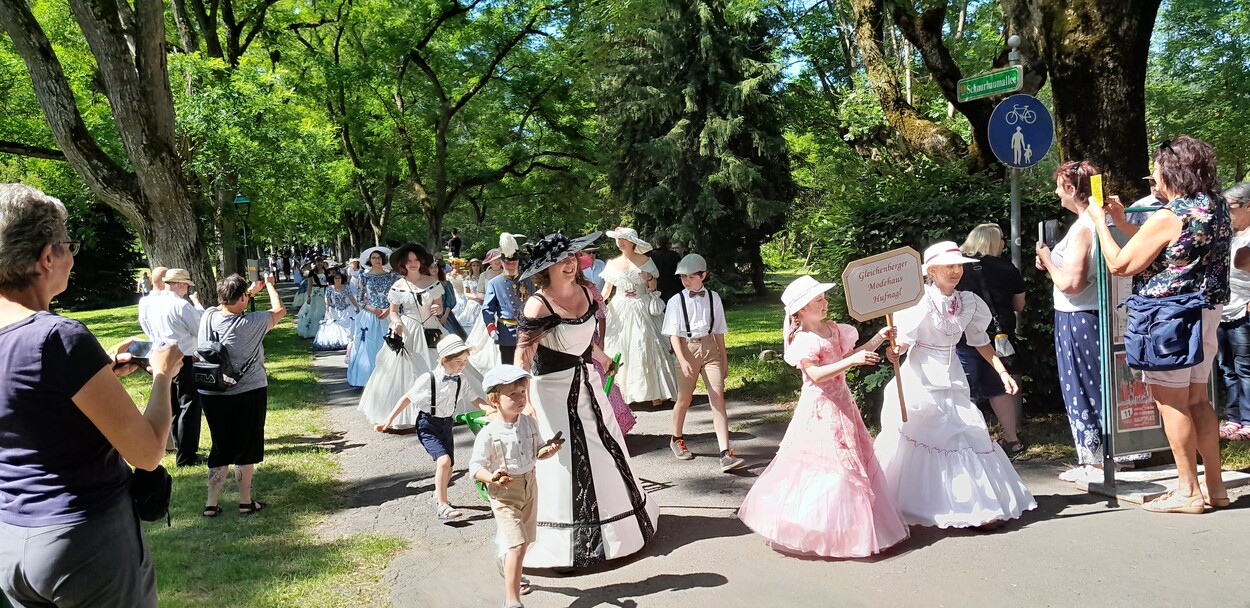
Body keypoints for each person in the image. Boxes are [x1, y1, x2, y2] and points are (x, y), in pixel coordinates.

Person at [0, 183, 183, 608]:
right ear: (46, 257)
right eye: (68, 246)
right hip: (84, 541)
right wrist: (162, 376)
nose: (72, 256)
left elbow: (24, 400)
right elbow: (146, 453)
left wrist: (96, 371)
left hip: (10, 541)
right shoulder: (58, 337)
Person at [1088, 135, 1233, 513]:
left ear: (1172, 173)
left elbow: (1120, 264)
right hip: (1206, 311)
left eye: (1155, 174)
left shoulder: (1171, 214)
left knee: (1172, 404)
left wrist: (1100, 223)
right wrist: (1124, 222)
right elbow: (1172, 250)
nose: (1154, 180)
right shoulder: (1216, 206)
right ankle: (1215, 487)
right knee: (1198, 399)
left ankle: (1188, 491)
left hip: (1168, 318)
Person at [514, 231, 659, 568]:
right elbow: (522, 358)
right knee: (566, 462)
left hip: (587, 383)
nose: (569, 264)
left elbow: (582, 337)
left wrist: (601, 357)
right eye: (560, 260)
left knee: (606, 450)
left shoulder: (586, 291)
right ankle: (562, 541)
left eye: (571, 258)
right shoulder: (538, 304)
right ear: (545, 269)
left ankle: (617, 529)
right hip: (551, 392)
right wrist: (525, 400)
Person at [738, 276, 909, 557]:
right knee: (828, 464)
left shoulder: (834, 329)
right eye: (818, 300)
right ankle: (816, 528)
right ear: (801, 310)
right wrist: (851, 361)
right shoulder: (803, 340)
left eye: (823, 298)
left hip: (844, 405)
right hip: (820, 409)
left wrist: (879, 337)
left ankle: (850, 530)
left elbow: (851, 354)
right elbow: (816, 374)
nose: (825, 303)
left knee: (851, 462)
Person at [874, 242, 1036, 528]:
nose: (956, 271)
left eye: (959, 265)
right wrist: (895, 351)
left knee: (966, 432)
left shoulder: (969, 301)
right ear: (932, 271)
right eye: (949, 266)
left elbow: (980, 342)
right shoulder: (919, 302)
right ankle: (930, 503)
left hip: (953, 375)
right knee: (930, 436)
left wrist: (1002, 372)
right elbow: (906, 342)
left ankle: (977, 506)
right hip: (922, 378)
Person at [1037, 160, 1145, 481]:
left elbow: (1071, 283)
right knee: (1108, 384)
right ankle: (1123, 455)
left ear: (1071, 189)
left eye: (1059, 187)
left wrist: (1047, 259)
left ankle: (1097, 461)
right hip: (1108, 313)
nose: (1057, 193)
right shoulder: (1107, 222)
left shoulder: (1082, 228)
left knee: (1084, 386)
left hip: (1078, 318)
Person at [469, 365, 563, 608]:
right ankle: (511, 600)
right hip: (504, 493)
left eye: (523, 392)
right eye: (513, 394)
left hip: (530, 486)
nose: (521, 398)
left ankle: (506, 560)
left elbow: (537, 450)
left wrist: (548, 450)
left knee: (528, 540)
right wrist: (492, 477)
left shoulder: (529, 423)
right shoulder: (489, 433)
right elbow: (475, 467)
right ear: (494, 400)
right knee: (518, 544)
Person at [198, 273, 286, 517]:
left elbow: (228, 304)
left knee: (220, 444)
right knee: (246, 445)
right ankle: (245, 502)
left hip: (211, 391)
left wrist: (249, 291)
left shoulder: (209, 315)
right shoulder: (252, 323)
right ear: (243, 299)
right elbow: (279, 311)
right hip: (248, 390)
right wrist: (269, 286)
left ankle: (211, 504)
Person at [376, 336, 489, 521]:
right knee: (443, 461)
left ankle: (438, 494)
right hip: (427, 425)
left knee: (449, 467)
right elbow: (407, 398)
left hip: (447, 425)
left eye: (465, 361)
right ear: (444, 360)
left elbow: (475, 399)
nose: (462, 365)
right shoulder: (428, 379)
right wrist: (388, 420)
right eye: (458, 361)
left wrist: (491, 409)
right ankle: (443, 506)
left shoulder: (461, 380)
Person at [661, 253, 743, 471]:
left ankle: (725, 452)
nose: (686, 281)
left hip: (710, 349)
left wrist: (724, 358)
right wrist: (682, 359)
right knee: (684, 398)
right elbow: (673, 335)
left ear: (703, 275)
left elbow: (719, 331)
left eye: (691, 277)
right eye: (683, 277)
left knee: (717, 398)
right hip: (686, 349)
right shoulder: (676, 301)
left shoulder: (714, 298)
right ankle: (676, 437)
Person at [955, 223, 1027, 457]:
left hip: (966, 336)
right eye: (1003, 239)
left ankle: (971, 442)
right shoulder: (1008, 269)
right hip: (998, 337)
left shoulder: (959, 268)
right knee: (999, 388)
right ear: (995, 242)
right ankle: (1012, 440)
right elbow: (1019, 305)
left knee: (966, 390)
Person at [357, 244, 446, 428]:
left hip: (431, 329)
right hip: (408, 329)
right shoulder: (398, 286)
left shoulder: (432, 282)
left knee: (441, 366)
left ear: (421, 262)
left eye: (416, 260)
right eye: (409, 261)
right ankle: (406, 414)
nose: (413, 263)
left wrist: (437, 309)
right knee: (408, 371)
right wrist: (397, 323)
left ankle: (441, 409)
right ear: (403, 264)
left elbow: (439, 306)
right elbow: (393, 312)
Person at [601, 227, 678, 405]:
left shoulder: (646, 260)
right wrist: (595, 303)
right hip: (619, 307)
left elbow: (653, 288)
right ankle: (621, 395)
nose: (620, 242)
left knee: (645, 344)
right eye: (618, 239)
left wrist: (649, 278)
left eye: (623, 239)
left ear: (632, 242)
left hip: (641, 305)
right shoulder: (612, 263)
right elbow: (607, 290)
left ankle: (655, 394)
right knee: (619, 346)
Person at [137, 267, 206, 467]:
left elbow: (147, 328)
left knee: (173, 405)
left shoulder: (151, 304)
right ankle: (187, 455)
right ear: (179, 285)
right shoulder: (180, 305)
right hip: (184, 357)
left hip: (162, 356)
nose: (186, 289)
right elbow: (199, 329)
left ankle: (179, 447)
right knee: (189, 405)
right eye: (185, 285)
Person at [578, 249, 635, 434]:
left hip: (591, 340)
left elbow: (601, 315)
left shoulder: (589, 287)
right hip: (573, 348)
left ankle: (611, 427)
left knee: (601, 380)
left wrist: (602, 338)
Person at [1219, 183, 1250, 440]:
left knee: (1245, 368)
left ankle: (1249, 420)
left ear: (1248, 206)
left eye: (1229, 207)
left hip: (1244, 309)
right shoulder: (1227, 235)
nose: (1226, 212)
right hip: (1222, 310)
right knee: (1226, 367)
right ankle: (1233, 419)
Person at [346, 247, 397, 387]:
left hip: (388, 315)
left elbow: (397, 297)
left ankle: (388, 380)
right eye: (374, 258)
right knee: (368, 346)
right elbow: (360, 299)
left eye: (379, 258)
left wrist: (388, 310)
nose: (377, 260)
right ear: (369, 260)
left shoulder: (392, 277)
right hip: (370, 316)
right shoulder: (364, 276)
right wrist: (373, 309)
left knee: (388, 346)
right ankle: (367, 378)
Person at [483, 234, 531, 365]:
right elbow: (487, 308)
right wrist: (491, 326)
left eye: (514, 263)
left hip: (527, 331)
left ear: (518, 262)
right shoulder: (494, 283)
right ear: (502, 263)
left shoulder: (528, 280)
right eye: (508, 263)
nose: (511, 266)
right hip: (506, 332)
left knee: (526, 365)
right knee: (508, 366)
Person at [313, 272, 359, 351]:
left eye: (339, 278)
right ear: (333, 279)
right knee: (334, 324)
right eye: (336, 278)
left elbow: (351, 297)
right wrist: (327, 307)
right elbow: (327, 298)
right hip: (334, 309)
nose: (338, 280)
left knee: (351, 322)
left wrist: (356, 306)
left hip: (346, 309)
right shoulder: (329, 288)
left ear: (342, 279)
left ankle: (349, 340)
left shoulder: (346, 287)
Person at [296, 260, 329, 339]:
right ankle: (312, 330)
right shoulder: (312, 272)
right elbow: (310, 285)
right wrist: (308, 296)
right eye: (318, 262)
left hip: (324, 292)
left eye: (321, 262)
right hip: (315, 292)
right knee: (313, 310)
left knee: (324, 310)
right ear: (316, 263)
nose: (320, 264)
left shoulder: (326, 272)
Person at [647, 231, 683, 302]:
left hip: (657, 291)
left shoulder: (650, 256)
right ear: (668, 243)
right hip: (674, 290)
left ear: (657, 242)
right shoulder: (675, 255)